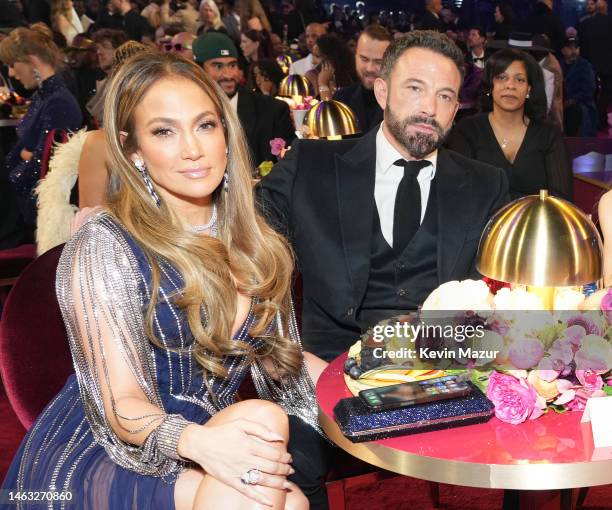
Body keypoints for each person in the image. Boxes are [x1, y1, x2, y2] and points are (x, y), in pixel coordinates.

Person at [3, 51, 325, 509]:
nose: (192, 149)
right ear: (132, 149)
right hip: (102, 451)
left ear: (226, 133)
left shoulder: (252, 237)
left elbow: (280, 360)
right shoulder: (107, 242)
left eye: (205, 125)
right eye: (163, 131)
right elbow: (121, 405)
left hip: (203, 435)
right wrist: (201, 445)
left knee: (264, 421)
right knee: (281, 500)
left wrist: (364, 383)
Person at [258, 30, 509, 362]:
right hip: (327, 366)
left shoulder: (486, 184)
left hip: (441, 370)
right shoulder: (311, 165)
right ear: (382, 92)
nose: (430, 109)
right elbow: (242, 236)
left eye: (445, 96)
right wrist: (273, 346)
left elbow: (502, 300)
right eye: (415, 88)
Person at [447, 48, 572, 201]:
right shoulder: (468, 130)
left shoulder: (549, 134)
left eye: (519, 80)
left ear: (529, 89)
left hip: (535, 222)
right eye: (501, 78)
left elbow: (562, 199)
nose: (510, 85)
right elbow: (457, 194)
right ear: (490, 86)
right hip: (478, 224)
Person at [0, 26, 82, 239]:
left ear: (31, 61)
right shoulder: (44, 97)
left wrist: (24, 157)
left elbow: (44, 165)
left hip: (32, 210)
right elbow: (24, 153)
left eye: (12, 65)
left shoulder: (58, 102)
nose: (10, 73)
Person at [193, 32, 295, 167]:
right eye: (218, 66)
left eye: (232, 65)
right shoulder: (187, 111)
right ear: (199, 71)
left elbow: (291, 165)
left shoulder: (273, 111)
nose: (228, 75)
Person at [333, 24, 392, 133]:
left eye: (378, 62)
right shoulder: (341, 99)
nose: (370, 68)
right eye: (364, 59)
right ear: (355, 56)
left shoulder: (401, 104)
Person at [578, 0, 612, 131]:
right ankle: (599, 117)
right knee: (607, 92)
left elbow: (582, 44)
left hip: (590, 63)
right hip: (609, 65)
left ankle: (596, 120)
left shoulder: (585, 23)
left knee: (592, 93)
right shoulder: (610, 23)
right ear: (606, 8)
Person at [560, 36, 597, 137]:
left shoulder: (585, 66)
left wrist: (571, 101)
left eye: (576, 48)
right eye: (570, 48)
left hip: (581, 103)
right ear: (563, 50)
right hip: (561, 102)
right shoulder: (558, 65)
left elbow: (589, 90)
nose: (574, 51)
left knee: (574, 110)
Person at [306, 33, 356, 99]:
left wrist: (323, 84)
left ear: (331, 59)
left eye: (317, 56)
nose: (312, 61)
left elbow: (329, 108)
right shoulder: (311, 75)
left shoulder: (351, 77)